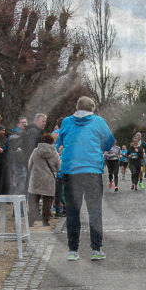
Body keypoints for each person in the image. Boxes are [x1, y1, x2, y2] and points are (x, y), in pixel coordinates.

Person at [56, 96, 115, 261]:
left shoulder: (66, 122)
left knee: (72, 212)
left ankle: (72, 250)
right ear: (92, 108)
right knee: (95, 211)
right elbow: (109, 142)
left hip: (71, 171)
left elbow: (60, 141)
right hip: (92, 171)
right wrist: (98, 146)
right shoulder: (98, 121)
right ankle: (96, 249)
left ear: (77, 107)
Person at [27, 133, 60, 227]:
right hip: (48, 179)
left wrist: (34, 171)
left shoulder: (35, 151)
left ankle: (31, 221)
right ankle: (45, 221)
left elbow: (30, 165)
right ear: (52, 142)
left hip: (36, 178)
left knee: (34, 200)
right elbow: (58, 167)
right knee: (47, 201)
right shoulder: (54, 153)